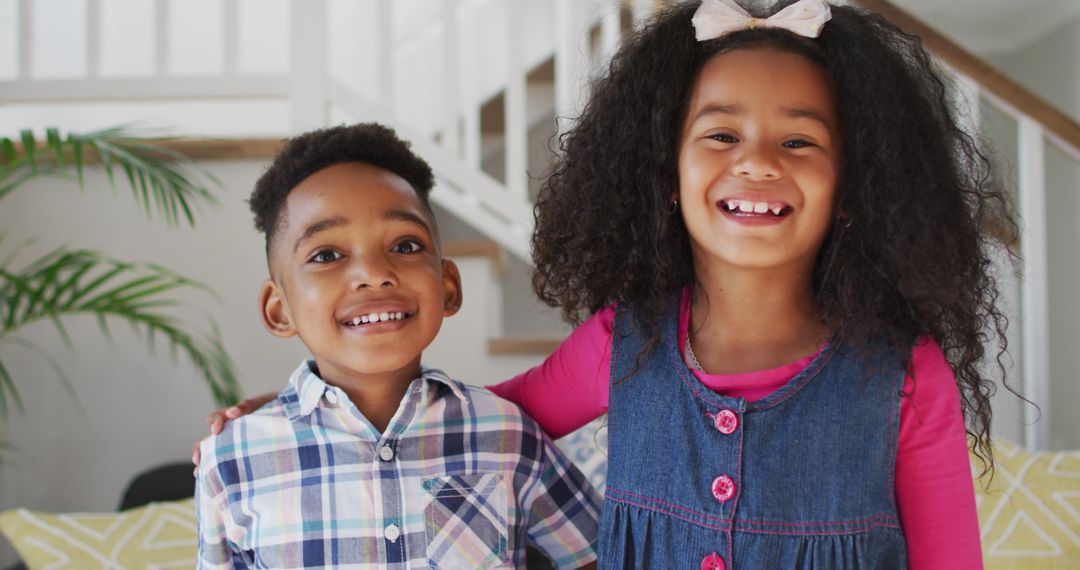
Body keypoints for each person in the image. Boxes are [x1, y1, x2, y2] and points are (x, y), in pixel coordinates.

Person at [200, 1, 1017, 567]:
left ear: (856, 186)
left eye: (800, 142)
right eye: (721, 133)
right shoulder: (622, 343)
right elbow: (464, 423)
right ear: (663, 172)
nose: (757, 162)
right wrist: (309, 415)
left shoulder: (905, 376)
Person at [194, 123, 600, 569]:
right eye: (327, 255)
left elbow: (600, 557)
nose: (374, 272)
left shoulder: (508, 435)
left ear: (447, 286)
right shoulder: (231, 459)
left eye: (405, 245)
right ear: (279, 309)